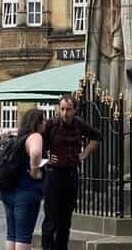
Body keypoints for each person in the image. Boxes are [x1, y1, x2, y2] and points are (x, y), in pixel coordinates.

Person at [42, 94, 101, 250]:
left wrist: (84, 154)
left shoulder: (79, 123)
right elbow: (36, 139)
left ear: (75, 110)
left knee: (65, 218)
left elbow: (96, 137)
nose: (65, 113)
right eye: (62, 109)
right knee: (51, 218)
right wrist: (45, 156)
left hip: (71, 174)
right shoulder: (51, 124)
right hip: (54, 174)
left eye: (68, 109)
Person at [1, 109, 47, 250]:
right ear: (37, 123)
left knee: (12, 234)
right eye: (43, 120)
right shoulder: (35, 136)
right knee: (23, 235)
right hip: (26, 191)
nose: (45, 123)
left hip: (8, 190)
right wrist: (34, 171)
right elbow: (36, 152)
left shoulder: (18, 138)